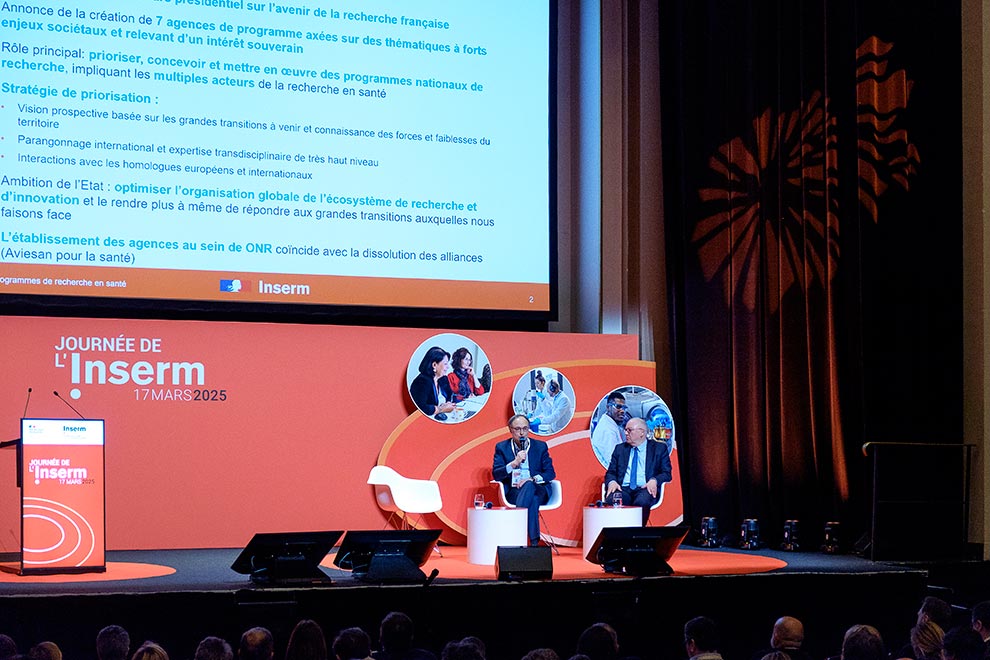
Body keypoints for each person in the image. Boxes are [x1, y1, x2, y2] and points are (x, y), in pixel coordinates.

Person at [492, 414, 556, 546]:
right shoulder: (502, 447)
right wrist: (513, 463)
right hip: (515, 491)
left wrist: (531, 479)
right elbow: (497, 475)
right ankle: (534, 542)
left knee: (529, 486)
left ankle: (517, 529)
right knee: (533, 500)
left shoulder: (540, 446)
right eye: (517, 429)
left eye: (525, 428)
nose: (522, 433)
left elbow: (550, 473)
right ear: (510, 430)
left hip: (538, 489)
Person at [604, 417, 672, 524]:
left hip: (645, 488)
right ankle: (619, 533)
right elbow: (611, 472)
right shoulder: (620, 449)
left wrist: (654, 480)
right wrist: (612, 482)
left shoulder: (659, 448)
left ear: (642, 432)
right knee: (613, 500)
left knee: (642, 501)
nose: (626, 433)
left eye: (629, 430)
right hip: (623, 488)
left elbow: (666, 473)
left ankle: (638, 531)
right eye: (625, 430)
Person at [409, 346, 456, 420]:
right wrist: (440, 409)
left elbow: (449, 395)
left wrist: (448, 403)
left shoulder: (443, 379)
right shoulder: (421, 382)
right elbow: (420, 408)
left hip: (443, 418)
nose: (448, 367)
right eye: (445, 364)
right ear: (434, 365)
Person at [590, 391, 628, 466]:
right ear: (608, 407)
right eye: (618, 407)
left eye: (624, 408)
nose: (622, 411)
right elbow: (615, 461)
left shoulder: (612, 424)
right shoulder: (608, 430)